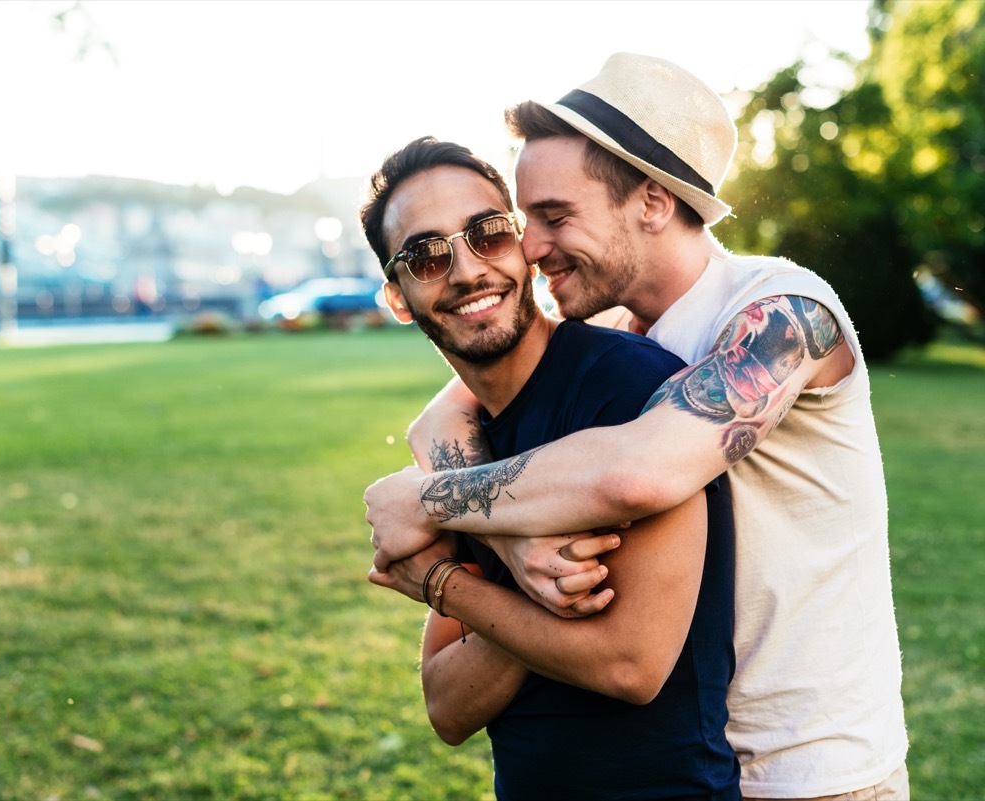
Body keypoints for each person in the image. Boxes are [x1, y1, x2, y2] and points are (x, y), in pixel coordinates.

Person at [364, 54, 910, 801]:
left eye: (555, 217)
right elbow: (449, 407)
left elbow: (638, 470)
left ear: (652, 201)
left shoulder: (781, 313)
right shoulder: (623, 324)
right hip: (703, 757)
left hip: (812, 769)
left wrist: (427, 506)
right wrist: (516, 548)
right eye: (526, 222)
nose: (531, 248)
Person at [361, 135, 741, 801]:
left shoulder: (629, 390)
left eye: (487, 232)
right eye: (425, 254)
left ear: (524, 247)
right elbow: (447, 706)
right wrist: (528, 581)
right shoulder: (462, 444)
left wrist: (443, 581)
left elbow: (631, 662)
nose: (467, 269)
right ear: (397, 298)